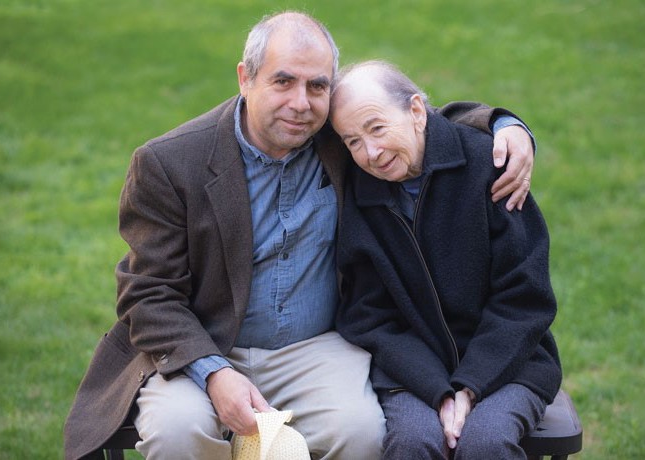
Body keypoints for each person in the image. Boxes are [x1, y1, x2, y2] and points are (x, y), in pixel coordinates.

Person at [63, 12, 538, 460]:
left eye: (317, 86)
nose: (300, 103)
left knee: (364, 431)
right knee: (178, 432)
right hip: (204, 345)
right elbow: (146, 294)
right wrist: (213, 373)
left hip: (316, 348)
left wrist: (504, 124)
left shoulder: (343, 140)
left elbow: (416, 120)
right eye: (283, 81)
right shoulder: (169, 164)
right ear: (245, 78)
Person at [331, 60, 561, 459]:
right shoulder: (359, 195)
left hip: (509, 361)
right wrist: (437, 389)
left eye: (377, 128)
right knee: (413, 442)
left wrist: (470, 386)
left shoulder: (489, 166)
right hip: (412, 371)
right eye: (352, 141)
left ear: (417, 112)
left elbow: (524, 298)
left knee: (485, 443)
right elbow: (368, 315)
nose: (371, 152)